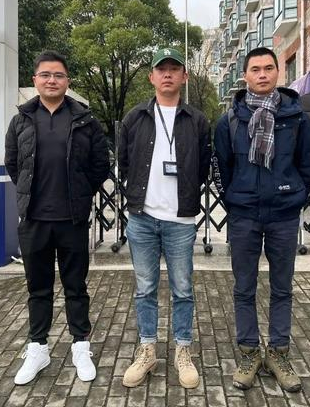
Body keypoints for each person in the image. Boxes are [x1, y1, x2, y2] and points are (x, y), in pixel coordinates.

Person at [212, 47, 310, 392]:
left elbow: (307, 164)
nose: (262, 74)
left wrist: (295, 195)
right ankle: (248, 353)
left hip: (283, 215)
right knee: (244, 287)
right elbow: (221, 167)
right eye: (255, 69)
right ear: (245, 75)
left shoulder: (297, 119)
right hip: (244, 214)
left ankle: (278, 353)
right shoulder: (229, 120)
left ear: (277, 72)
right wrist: (234, 196)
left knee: (282, 287)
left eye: (268, 68)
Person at [4, 50, 110, 385]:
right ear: (35, 80)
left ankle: (80, 345)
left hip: (72, 219)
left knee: (76, 287)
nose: (52, 80)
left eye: (58, 75)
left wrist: (81, 192)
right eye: (46, 75)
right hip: (34, 219)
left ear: (67, 81)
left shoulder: (85, 120)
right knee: (38, 288)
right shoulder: (21, 120)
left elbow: (100, 165)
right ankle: (38, 347)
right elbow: (13, 163)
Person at [118, 47, 211, 389]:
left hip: (180, 221)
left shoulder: (197, 120)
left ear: (184, 76)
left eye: (174, 68)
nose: (168, 74)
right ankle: (147, 350)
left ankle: (183, 350)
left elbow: (203, 166)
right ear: (152, 77)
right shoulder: (135, 117)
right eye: (161, 69)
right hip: (142, 218)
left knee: (182, 289)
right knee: (145, 288)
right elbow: (125, 162)